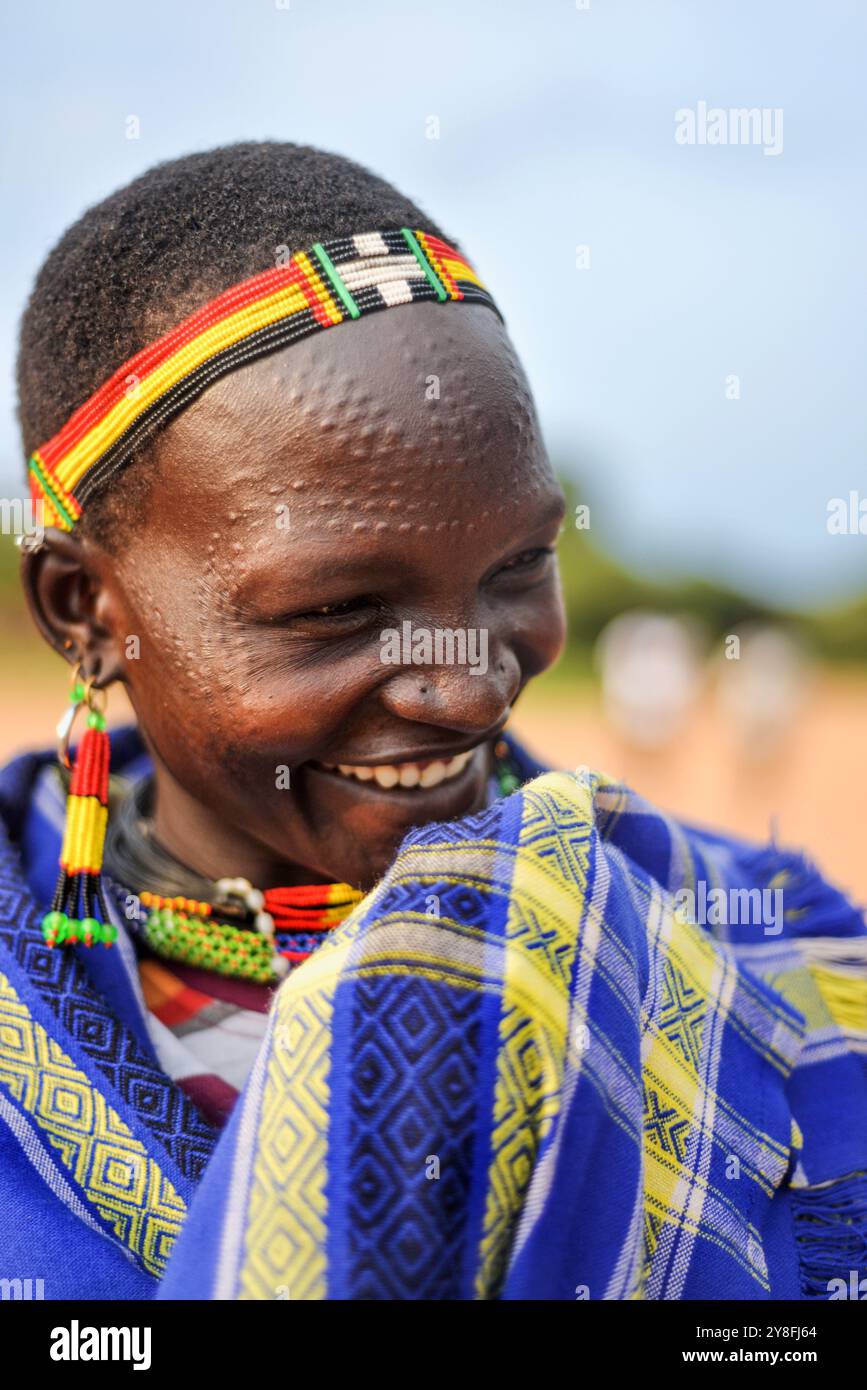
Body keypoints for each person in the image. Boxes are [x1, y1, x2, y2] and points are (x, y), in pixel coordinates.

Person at [1, 143, 864, 1301]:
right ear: (86, 613)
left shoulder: (749, 955)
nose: (470, 691)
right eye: (337, 609)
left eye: (520, 565)